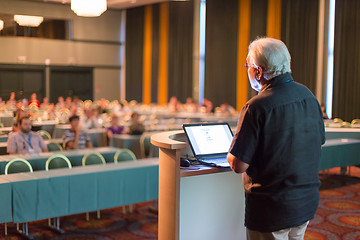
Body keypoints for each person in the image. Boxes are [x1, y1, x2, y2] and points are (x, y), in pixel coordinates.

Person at [227, 38, 325, 240]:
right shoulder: (308, 96)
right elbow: (317, 141)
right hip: (305, 202)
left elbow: (239, 165)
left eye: (248, 66)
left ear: (258, 71)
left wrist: (230, 153)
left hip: (272, 210)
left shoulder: (256, 107)